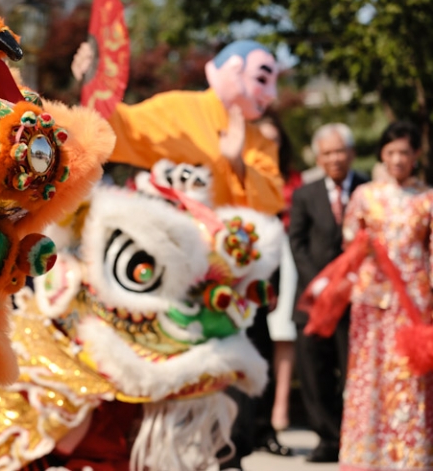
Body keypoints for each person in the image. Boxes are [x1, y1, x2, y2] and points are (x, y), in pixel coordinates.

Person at [72, 39, 284, 215]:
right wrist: (94, 86)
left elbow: (272, 203)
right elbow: (122, 129)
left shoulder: (261, 142)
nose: (272, 94)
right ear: (234, 70)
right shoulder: (178, 109)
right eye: (262, 79)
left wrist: (237, 163)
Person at [336, 121, 433, 470]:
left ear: (416, 155)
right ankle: (366, 455)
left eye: (404, 152)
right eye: (390, 152)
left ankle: (408, 454)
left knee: (409, 376)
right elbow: (349, 242)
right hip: (372, 299)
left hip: (414, 302)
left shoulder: (427, 199)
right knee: (369, 374)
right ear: (381, 154)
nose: (397, 159)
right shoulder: (366, 196)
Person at [289, 123, 369, 462]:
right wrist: (322, 284)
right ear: (318, 158)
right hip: (315, 299)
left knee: (353, 370)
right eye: (327, 153)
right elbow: (297, 242)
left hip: (359, 298)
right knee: (314, 369)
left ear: (351, 153)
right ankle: (326, 437)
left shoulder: (369, 189)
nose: (334, 158)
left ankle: (356, 437)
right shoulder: (305, 195)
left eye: (340, 151)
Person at [259, 112, 301, 433]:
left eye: (274, 140)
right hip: (249, 257)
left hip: (285, 259)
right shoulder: (235, 174)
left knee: (283, 332)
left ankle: (280, 409)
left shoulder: (293, 179)